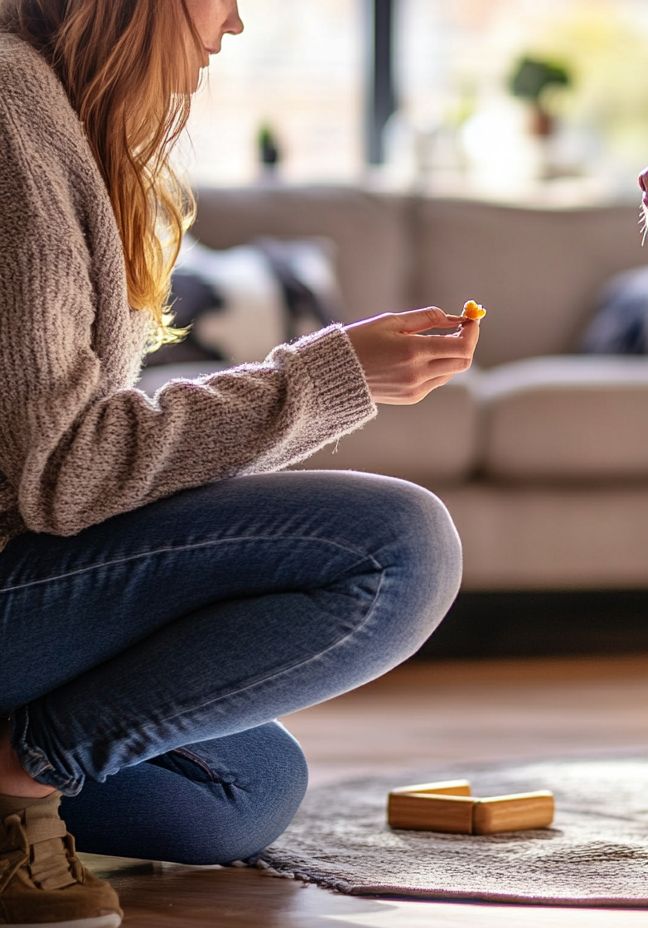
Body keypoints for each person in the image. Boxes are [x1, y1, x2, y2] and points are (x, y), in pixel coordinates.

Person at [0, 2, 480, 925]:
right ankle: (22, 781)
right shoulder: (12, 105)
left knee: (244, 790)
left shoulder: (53, 109)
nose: (235, 25)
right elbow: (64, 473)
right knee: (402, 547)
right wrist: (330, 379)